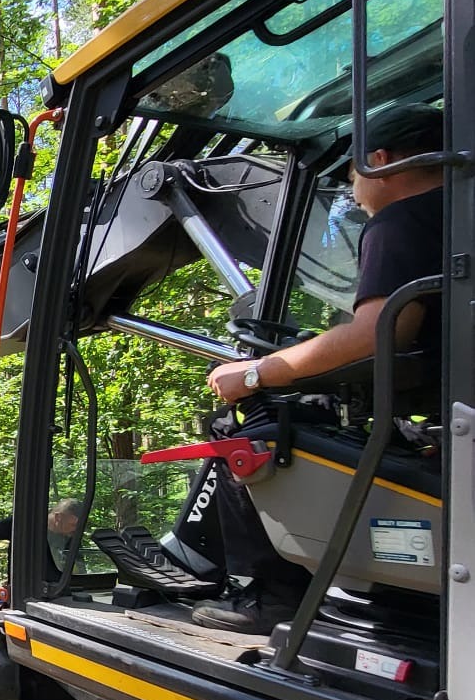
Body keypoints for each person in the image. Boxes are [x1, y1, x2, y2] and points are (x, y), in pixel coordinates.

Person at [188, 99, 444, 631]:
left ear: (379, 160)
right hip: (444, 410)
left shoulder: (403, 218)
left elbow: (380, 331)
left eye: (351, 173)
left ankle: (271, 596)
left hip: (435, 409)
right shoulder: (456, 213)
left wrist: (257, 373)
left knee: (250, 425)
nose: (352, 187)